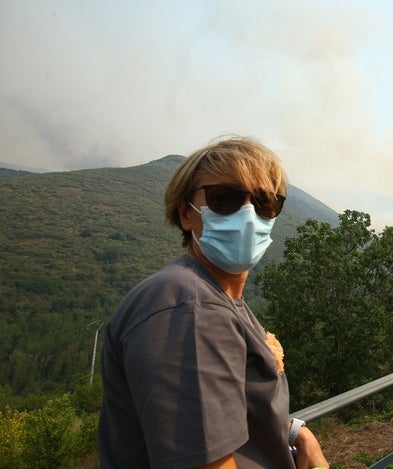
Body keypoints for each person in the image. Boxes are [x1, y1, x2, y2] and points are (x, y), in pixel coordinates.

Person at [98, 136, 330, 469]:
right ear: (186, 214)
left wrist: (295, 433)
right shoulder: (190, 307)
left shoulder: (216, 296)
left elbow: (222, 400)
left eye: (265, 202)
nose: (249, 214)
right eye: (225, 198)